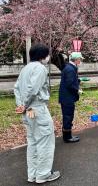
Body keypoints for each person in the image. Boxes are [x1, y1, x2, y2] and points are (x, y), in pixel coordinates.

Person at [14, 44, 60, 184]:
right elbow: (33, 89)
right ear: (43, 56)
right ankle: (43, 175)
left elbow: (16, 88)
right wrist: (26, 104)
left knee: (33, 142)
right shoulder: (40, 68)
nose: (48, 57)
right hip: (37, 109)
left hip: (27, 111)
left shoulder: (25, 69)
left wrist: (21, 105)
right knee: (45, 142)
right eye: (47, 55)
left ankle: (32, 175)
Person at [59, 52, 83, 143]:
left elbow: (71, 80)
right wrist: (77, 90)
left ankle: (67, 135)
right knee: (68, 116)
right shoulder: (70, 69)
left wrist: (78, 81)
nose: (80, 61)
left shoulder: (69, 67)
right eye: (80, 59)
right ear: (76, 60)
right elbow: (69, 84)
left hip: (66, 97)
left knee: (67, 116)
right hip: (67, 97)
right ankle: (67, 137)